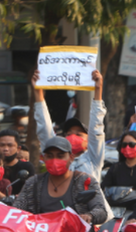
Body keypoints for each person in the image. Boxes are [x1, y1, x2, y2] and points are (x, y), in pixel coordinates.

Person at [33, 69, 107, 200]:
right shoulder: (56, 160)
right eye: (69, 133)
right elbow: (45, 131)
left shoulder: (92, 158)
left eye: (79, 134)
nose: (73, 137)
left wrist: (98, 90)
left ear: (88, 140)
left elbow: (96, 129)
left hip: (90, 215)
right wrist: (38, 93)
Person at [0, 129, 35, 194]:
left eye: (10, 145)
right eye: (2, 145)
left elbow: (31, 192)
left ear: (18, 149)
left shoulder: (27, 167)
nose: (6, 149)